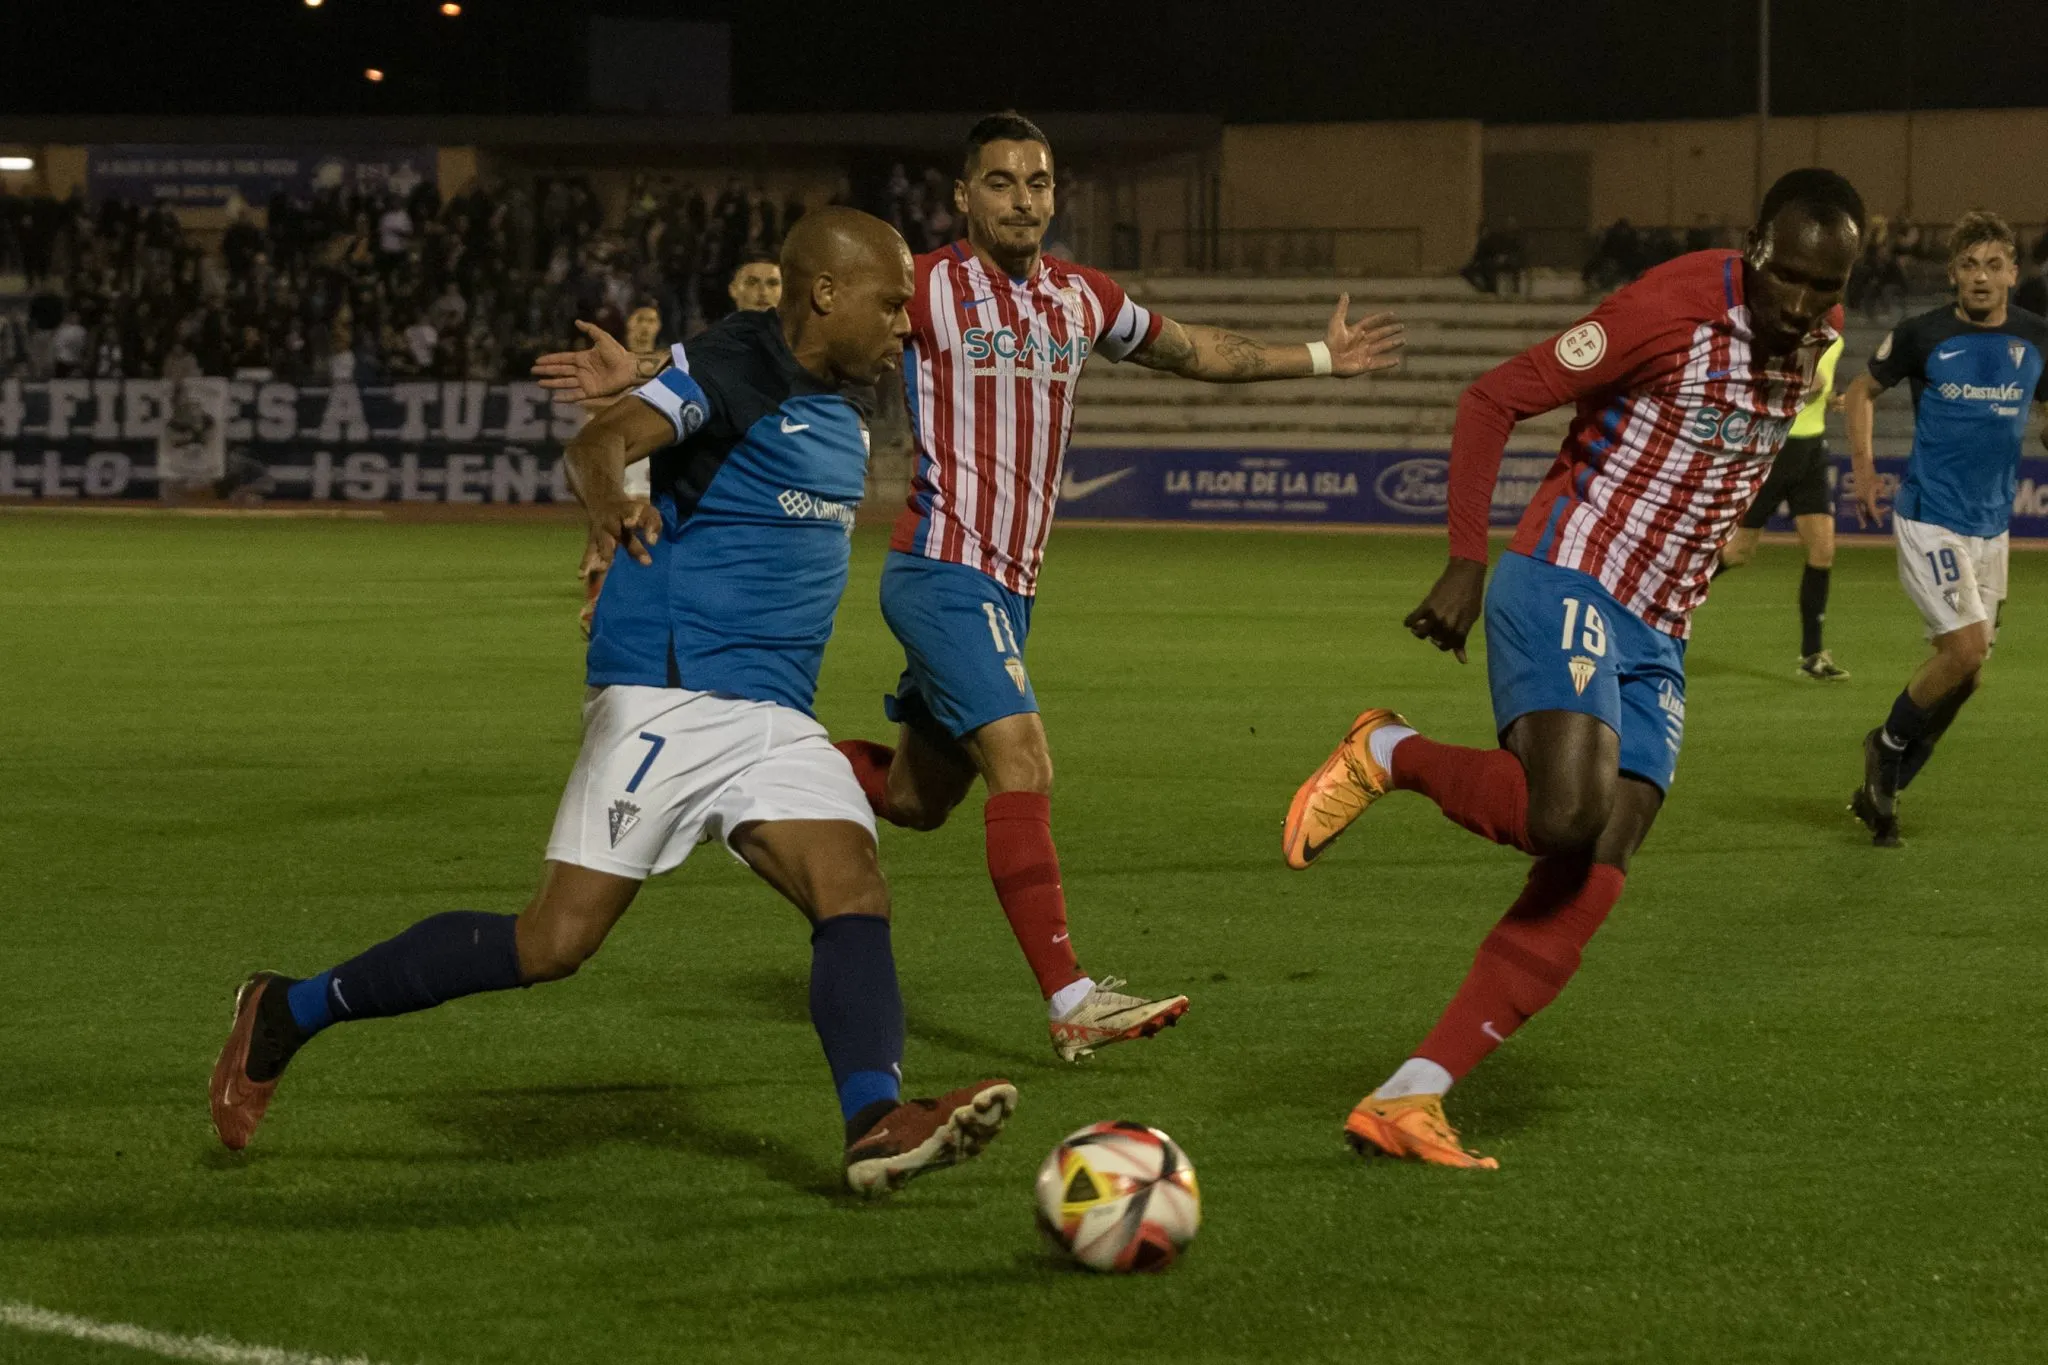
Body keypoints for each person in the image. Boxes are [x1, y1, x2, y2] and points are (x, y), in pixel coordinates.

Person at [212, 207, 1017, 1196]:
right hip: (668, 693)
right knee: (552, 943)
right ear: (825, 294)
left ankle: (874, 1122)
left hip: (774, 714)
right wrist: (608, 501)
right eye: (890, 303)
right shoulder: (739, 367)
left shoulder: (830, 389)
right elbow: (605, 439)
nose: (904, 322)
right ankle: (286, 1010)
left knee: (852, 890)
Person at [1281, 169, 1862, 1168]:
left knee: (1598, 858)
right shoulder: (1667, 310)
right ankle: (1389, 750)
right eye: (1789, 278)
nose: (1803, 304)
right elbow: (1492, 398)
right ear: (1754, 244)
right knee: (1563, 813)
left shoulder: (1817, 328)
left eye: (1826, 286)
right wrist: (1465, 560)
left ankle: (1412, 1095)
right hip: (1570, 572)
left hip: (1661, 627)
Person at [845, 112, 1403, 1060]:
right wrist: (661, 378)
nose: (1022, 199)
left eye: (1038, 182)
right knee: (1024, 762)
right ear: (963, 196)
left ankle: (747, 770)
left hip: (1009, 589)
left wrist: (1320, 358)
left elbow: (1193, 349)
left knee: (914, 799)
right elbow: (801, 341)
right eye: (1000, 182)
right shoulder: (925, 285)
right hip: (942, 567)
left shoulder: (1081, 297)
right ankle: (1072, 999)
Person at [1841, 210, 2048, 848]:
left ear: (2013, 273)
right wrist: (1866, 472)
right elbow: (1860, 392)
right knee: (1963, 652)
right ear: (1953, 274)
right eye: (1968, 265)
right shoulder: (1922, 335)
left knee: (1969, 673)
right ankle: (1886, 747)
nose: (1981, 277)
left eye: (1993, 265)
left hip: (1993, 528)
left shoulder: (2037, 338)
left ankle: (1884, 786)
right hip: (1931, 517)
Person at [1714, 332, 1850, 679]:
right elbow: (1766, 383)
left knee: (1822, 550)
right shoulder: (1790, 331)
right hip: (1777, 447)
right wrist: (1805, 386)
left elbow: (1819, 386)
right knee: (1738, 553)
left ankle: (1813, 655)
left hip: (1812, 450)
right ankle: (1666, 593)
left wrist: (1829, 397)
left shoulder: (1835, 336)